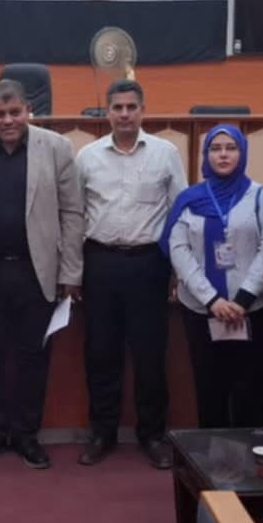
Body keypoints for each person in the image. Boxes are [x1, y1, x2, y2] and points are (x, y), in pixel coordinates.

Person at [0, 79, 83, 470]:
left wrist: (71, 271)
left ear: (29, 110)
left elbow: (72, 212)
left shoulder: (57, 148)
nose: (8, 120)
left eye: (15, 112)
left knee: (33, 358)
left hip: (37, 271)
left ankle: (27, 435)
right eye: (0, 114)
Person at [74, 79, 185, 468]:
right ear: (107, 112)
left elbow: (179, 213)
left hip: (148, 264)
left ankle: (152, 435)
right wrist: (74, 271)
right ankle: (102, 433)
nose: (124, 114)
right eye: (117, 108)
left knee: (150, 354)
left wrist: (176, 268)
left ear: (142, 111)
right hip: (100, 263)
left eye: (131, 107)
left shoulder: (166, 154)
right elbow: (75, 215)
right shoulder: (87, 156)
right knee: (100, 352)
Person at [164, 125, 263, 429]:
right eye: (215, 149)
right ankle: (212, 455)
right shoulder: (189, 199)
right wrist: (212, 299)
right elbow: (179, 250)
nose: (223, 154)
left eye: (231, 148)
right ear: (206, 155)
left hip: (253, 311)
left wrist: (243, 299)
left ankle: (252, 453)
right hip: (201, 311)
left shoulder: (262, 196)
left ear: (243, 153)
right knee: (210, 389)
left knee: (251, 391)